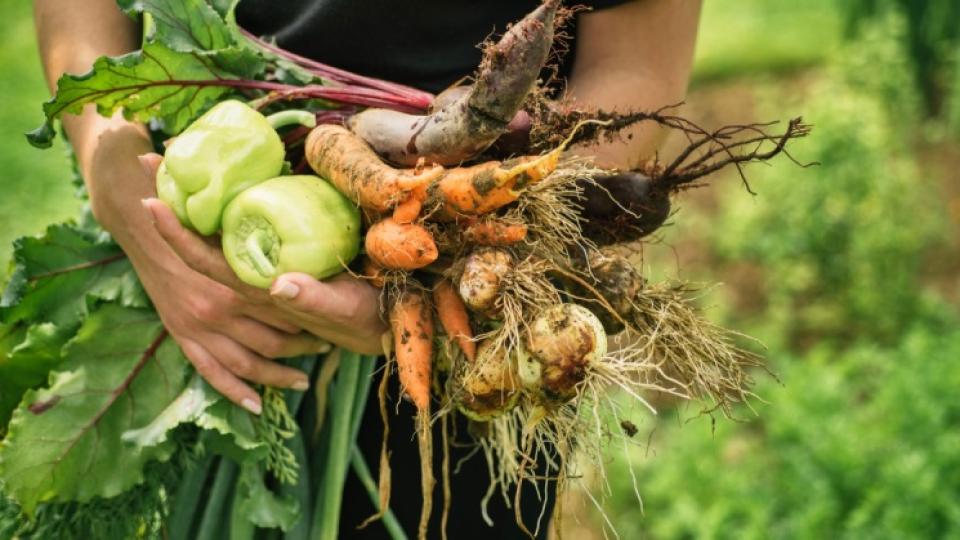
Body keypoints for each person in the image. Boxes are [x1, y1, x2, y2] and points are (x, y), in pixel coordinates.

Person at [34, 1, 700, 536]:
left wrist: (458, 244)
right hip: (195, 284)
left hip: (471, 322)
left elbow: (638, 59)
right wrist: (116, 176)